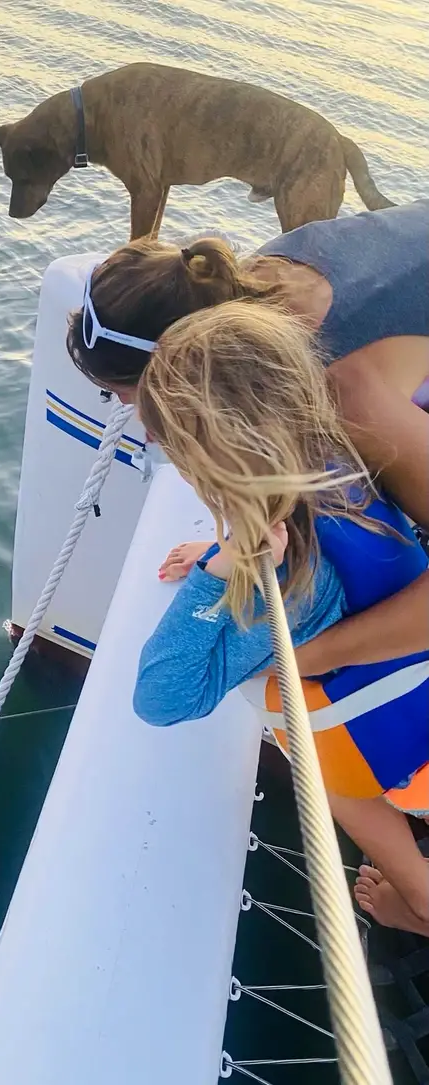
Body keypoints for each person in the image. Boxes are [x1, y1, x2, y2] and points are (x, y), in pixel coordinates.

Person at [127, 302, 429, 933]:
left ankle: (420, 902)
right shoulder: (350, 459)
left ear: (210, 460)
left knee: (330, 768)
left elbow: (163, 698)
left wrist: (219, 572)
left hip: (405, 759)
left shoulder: (283, 588)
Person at [65, 201, 429, 677]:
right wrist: (234, 549)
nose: (142, 423)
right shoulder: (230, 287)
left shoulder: (346, 396)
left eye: (131, 397)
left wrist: (306, 658)